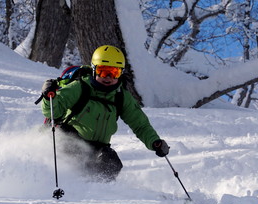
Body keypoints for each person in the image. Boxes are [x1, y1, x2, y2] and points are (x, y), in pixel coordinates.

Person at [41, 45, 169, 181]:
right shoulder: (80, 87)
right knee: (74, 155)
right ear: (94, 69)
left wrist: (155, 142)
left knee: (112, 164)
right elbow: (52, 111)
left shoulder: (121, 97)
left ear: (121, 73)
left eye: (114, 72)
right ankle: (65, 182)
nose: (108, 77)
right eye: (103, 71)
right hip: (69, 138)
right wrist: (49, 97)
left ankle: (98, 192)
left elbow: (139, 124)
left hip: (97, 148)